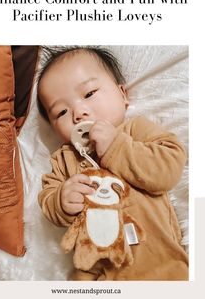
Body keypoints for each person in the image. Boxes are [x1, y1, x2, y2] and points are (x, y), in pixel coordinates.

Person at [37, 46, 188, 280]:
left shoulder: (135, 130)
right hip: (95, 272)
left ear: (122, 95)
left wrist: (116, 145)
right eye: (61, 112)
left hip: (160, 263)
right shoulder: (65, 159)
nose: (78, 113)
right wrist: (61, 201)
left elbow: (169, 167)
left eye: (88, 94)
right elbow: (47, 199)